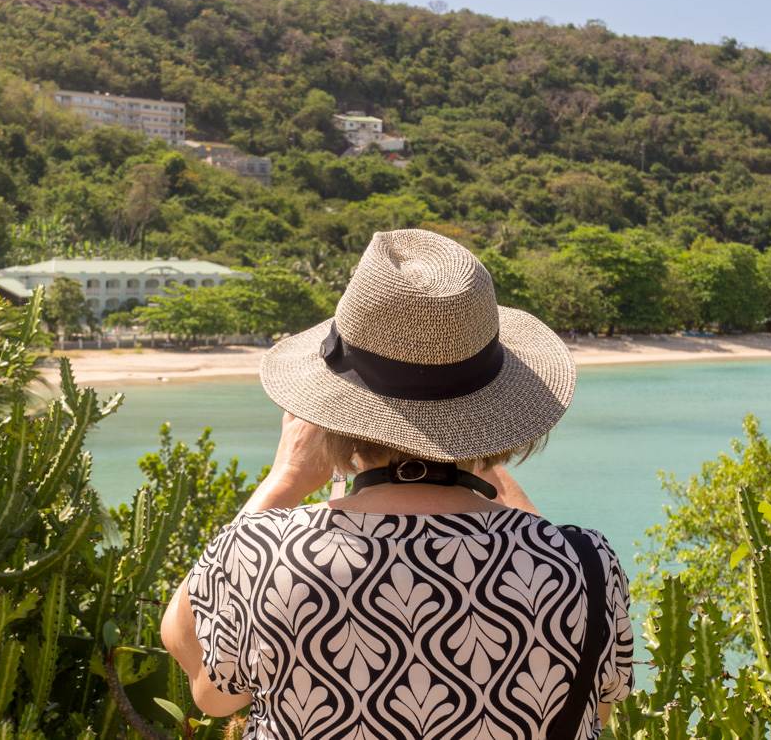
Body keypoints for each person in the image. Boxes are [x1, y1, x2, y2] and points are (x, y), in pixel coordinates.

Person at [161, 229, 633, 739]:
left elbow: (210, 689)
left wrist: (286, 479)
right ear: (496, 410)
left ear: (326, 413)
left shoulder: (264, 552)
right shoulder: (585, 565)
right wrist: (466, 451)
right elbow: (597, 708)